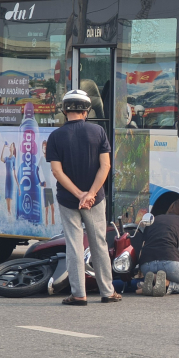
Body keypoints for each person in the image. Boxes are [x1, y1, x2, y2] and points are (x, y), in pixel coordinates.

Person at [46, 89, 119, 305]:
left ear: (64, 110)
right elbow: (105, 166)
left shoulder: (55, 136)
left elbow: (57, 172)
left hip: (68, 200)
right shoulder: (98, 132)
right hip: (95, 200)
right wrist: (91, 194)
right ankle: (107, 292)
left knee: (74, 245)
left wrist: (78, 194)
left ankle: (79, 294)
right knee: (99, 244)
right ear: (86, 111)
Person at [137, 199, 179, 296]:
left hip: (146, 265)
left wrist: (140, 270)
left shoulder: (154, 219)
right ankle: (166, 283)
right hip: (169, 262)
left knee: (155, 278)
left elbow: (142, 248)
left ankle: (152, 279)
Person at [40, 140, 56, 226]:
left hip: (50, 186)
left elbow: (54, 171)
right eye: (44, 147)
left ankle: (52, 224)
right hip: (46, 187)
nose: (45, 148)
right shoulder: (42, 159)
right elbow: (36, 170)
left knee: (52, 208)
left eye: (46, 147)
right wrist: (40, 182)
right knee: (47, 209)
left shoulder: (50, 160)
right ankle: (46, 225)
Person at [0, 142, 18, 216]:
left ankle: (11, 219)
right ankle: (10, 218)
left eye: (11, 146)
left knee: (9, 203)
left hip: (11, 180)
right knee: (7, 202)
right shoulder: (7, 158)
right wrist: (3, 147)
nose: (10, 147)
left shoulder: (13, 158)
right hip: (6, 181)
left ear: (13, 148)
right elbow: (1, 159)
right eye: (10, 146)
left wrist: (18, 186)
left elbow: (15, 173)